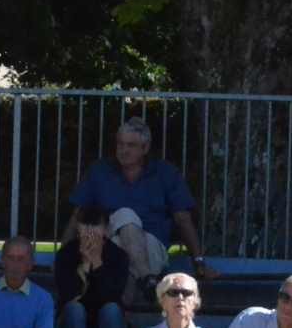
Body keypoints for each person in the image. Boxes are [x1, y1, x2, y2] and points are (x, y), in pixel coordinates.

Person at [67, 116, 207, 306]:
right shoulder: (100, 172)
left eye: (131, 145)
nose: (123, 150)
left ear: (145, 148)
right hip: (109, 242)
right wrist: (63, 255)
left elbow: (183, 218)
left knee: (124, 253)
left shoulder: (165, 174)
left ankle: (119, 319)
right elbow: (79, 214)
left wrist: (198, 261)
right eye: (120, 144)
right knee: (125, 216)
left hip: (152, 246)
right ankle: (147, 279)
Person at [54, 206, 130, 328]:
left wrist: (97, 263)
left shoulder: (118, 256)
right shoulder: (66, 254)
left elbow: (112, 296)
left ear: (106, 230)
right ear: (77, 228)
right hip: (74, 323)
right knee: (74, 309)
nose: (90, 230)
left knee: (111, 310)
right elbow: (68, 295)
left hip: (110, 324)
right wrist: (84, 266)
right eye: (85, 224)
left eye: (95, 225)